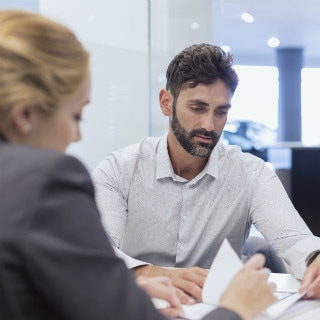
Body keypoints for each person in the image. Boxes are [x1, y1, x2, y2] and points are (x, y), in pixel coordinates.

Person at [0, 9, 278, 320]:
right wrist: (236, 309)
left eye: (220, 112)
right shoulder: (49, 181)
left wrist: (118, 289)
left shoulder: (248, 171)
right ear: (24, 115)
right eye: (75, 115)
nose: (76, 134)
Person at [92, 43, 320, 304]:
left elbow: (294, 240)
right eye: (198, 108)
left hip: (220, 310)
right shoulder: (119, 170)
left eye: (221, 112)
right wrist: (154, 274)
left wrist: (315, 259)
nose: (209, 125)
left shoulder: (250, 173)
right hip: (139, 308)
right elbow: (97, 252)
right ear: (166, 103)